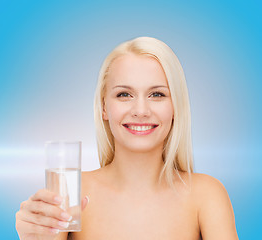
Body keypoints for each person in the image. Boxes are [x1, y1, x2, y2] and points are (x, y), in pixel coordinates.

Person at [15, 36, 239, 240]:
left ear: (176, 107)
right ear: (104, 107)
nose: (140, 110)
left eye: (157, 94)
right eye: (124, 94)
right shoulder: (71, 192)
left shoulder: (206, 195)